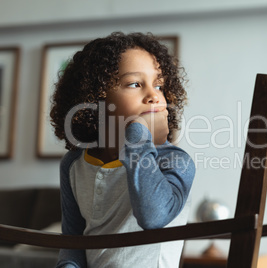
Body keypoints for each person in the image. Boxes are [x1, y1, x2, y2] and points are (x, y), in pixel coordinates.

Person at [50, 32, 195, 268]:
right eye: (135, 84)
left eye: (159, 85)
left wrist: (138, 131)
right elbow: (72, 244)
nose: (153, 96)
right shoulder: (73, 164)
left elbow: (153, 217)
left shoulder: (176, 161)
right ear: (96, 98)